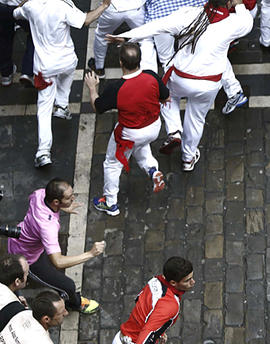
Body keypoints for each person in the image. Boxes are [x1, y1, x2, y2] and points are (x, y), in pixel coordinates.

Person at [110, 0, 254, 172]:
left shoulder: (189, 15)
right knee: (196, 120)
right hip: (209, 84)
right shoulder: (236, 23)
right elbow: (247, 19)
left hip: (181, 78)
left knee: (166, 97)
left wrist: (127, 36)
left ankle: (175, 130)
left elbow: (157, 26)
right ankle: (188, 158)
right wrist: (237, 5)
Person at [13, 0, 111, 168]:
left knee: (44, 108)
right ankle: (62, 105)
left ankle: (43, 152)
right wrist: (103, 6)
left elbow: (16, 12)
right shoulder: (63, 5)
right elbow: (86, 20)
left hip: (45, 68)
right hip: (66, 60)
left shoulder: (31, 6)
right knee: (66, 78)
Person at [84, 42, 169, 217]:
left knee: (112, 164)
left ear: (121, 63)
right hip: (153, 127)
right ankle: (153, 170)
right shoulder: (151, 76)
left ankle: (110, 203)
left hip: (129, 133)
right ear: (140, 60)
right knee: (141, 146)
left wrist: (92, 88)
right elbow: (165, 96)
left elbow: (98, 107)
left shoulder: (116, 89)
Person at [7, 179, 105, 314]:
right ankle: (75, 303)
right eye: (69, 198)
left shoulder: (39, 194)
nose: (73, 198)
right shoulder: (48, 227)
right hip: (27, 258)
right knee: (67, 286)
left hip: (20, 240)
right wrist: (91, 253)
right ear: (56, 202)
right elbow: (58, 262)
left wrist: (64, 207)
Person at [88, 0, 146, 78]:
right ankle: (146, 73)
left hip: (112, 9)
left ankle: (99, 68)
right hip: (136, 9)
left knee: (103, 36)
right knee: (145, 38)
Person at [0, 0, 35, 87]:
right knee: (35, 35)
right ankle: (28, 71)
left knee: (4, 38)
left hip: (3, 7)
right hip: (23, 6)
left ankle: (6, 74)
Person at [0, 254, 29, 322]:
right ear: (17, 281)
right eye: (26, 273)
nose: (28, 275)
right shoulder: (15, 310)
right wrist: (23, 310)